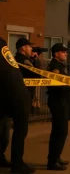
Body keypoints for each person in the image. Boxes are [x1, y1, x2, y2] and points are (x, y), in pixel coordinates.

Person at [0, 37, 35, 174]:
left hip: (11, 95)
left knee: (11, 131)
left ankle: (16, 163)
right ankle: (17, 164)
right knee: (18, 132)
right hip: (16, 95)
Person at [46, 43, 70, 171]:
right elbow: (57, 85)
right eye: (63, 52)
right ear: (56, 53)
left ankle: (56, 157)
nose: (66, 54)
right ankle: (52, 161)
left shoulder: (61, 65)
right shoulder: (54, 67)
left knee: (61, 131)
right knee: (59, 131)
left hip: (63, 101)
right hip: (58, 102)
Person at [14, 38, 40, 105]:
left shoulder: (15, 58)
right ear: (23, 48)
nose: (31, 49)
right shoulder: (24, 61)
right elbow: (37, 74)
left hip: (17, 92)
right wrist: (36, 60)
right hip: (25, 94)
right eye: (29, 46)